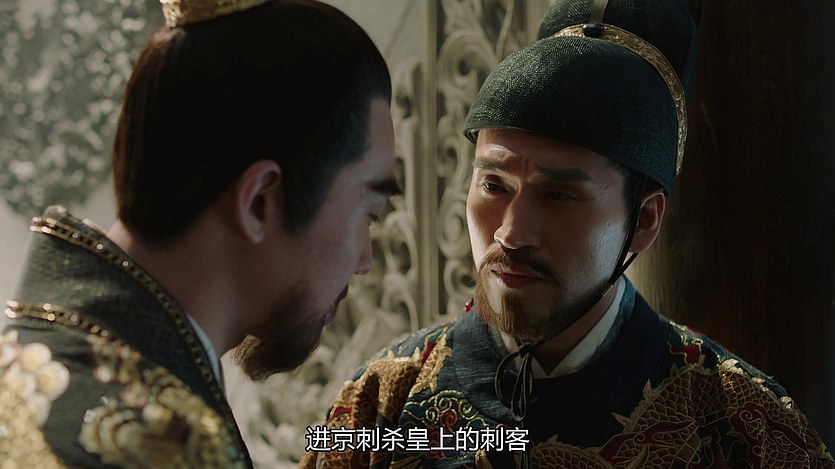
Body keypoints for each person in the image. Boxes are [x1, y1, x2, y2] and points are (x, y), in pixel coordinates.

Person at [301, 0, 834, 467]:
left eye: (558, 196)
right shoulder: (379, 406)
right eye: (493, 185)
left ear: (644, 221)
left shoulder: (744, 428)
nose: (511, 233)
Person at [0, 0, 397, 466]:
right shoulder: (163, 446)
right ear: (259, 201)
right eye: (369, 213)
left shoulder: (34, 365)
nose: (365, 262)